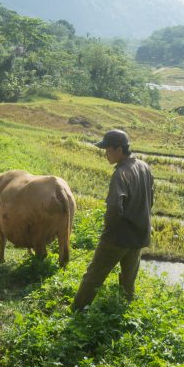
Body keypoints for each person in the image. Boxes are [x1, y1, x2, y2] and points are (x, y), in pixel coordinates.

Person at [72, 129, 154, 311]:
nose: (105, 154)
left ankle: (76, 311)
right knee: (128, 280)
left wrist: (108, 230)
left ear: (119, 149)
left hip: (118, 237)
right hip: (139, 235)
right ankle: (123, 312)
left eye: (107, 150)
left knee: (94, 276)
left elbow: (115, 207)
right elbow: (151, 199)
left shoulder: (121, 173)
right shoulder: (144, 167)